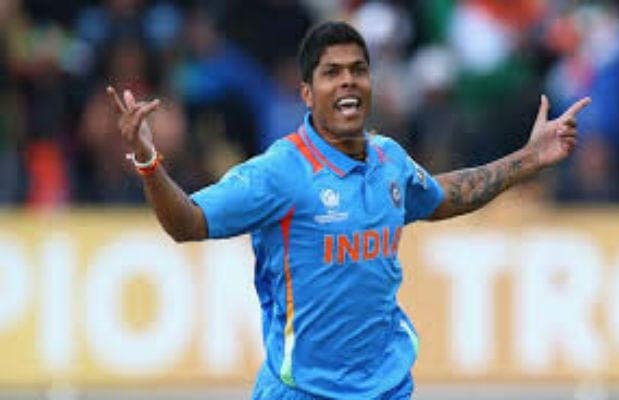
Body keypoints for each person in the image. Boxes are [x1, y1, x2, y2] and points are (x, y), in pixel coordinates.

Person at [107, 21, 590, 400]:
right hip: (302, 391)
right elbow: (188, 223)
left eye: (358, 69)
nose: (348, 81)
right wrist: (149, 163)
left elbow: (445, 195)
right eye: (332, 72)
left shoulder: (389, 160)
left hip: (386, 387)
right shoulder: (280, 172)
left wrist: (530, 159)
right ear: (307, 93)